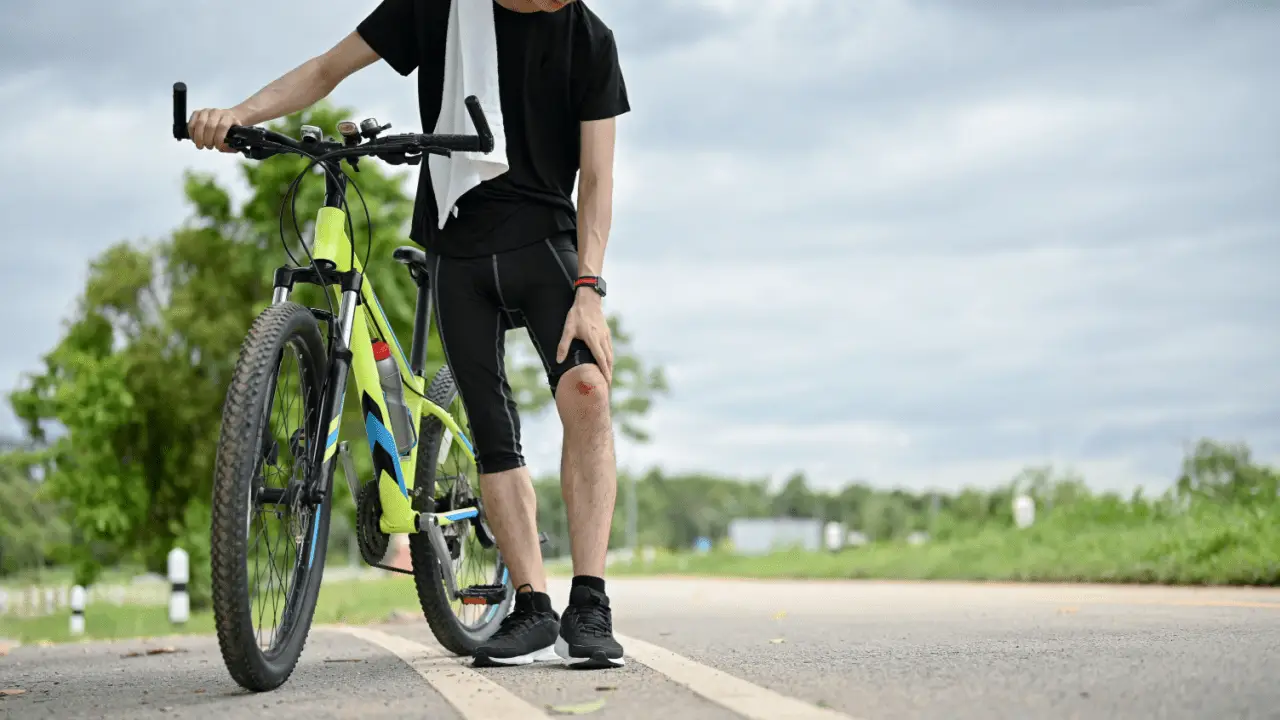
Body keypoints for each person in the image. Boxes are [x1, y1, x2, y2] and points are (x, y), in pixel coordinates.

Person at [187, 0, 628, 669]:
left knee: (588, 388)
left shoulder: (591, 38)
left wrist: (589, 290)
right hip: (458, 246)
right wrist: (240, 114)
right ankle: (534, 608)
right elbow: (326, 67)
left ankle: (589, 603)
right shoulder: (438, 7)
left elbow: (597, 179)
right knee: (490, 429)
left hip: (547, 242)